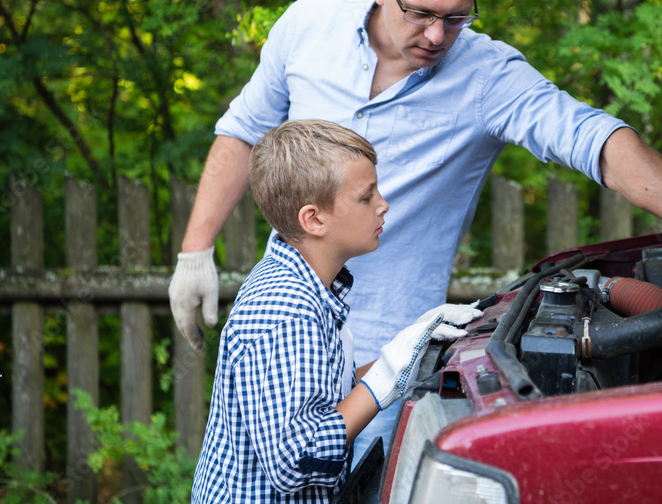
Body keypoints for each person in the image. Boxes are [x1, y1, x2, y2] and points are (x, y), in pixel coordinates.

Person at [170, 0, 662, 461]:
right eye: (422, 12)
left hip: (390, 361)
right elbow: (243, 131)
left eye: (456, 17)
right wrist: (195, 252)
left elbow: (595, 139)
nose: (438, 36)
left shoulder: (487, 77)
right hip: (295, 325)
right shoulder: (307, 26)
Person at [191, 119, 481, 503]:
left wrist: (410, 350)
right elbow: (295, 460)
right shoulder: (286, 312)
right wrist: (383, 380)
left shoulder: (307, 285)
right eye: (366, 196)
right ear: (313, 220)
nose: (383, 204)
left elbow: (318, 393)